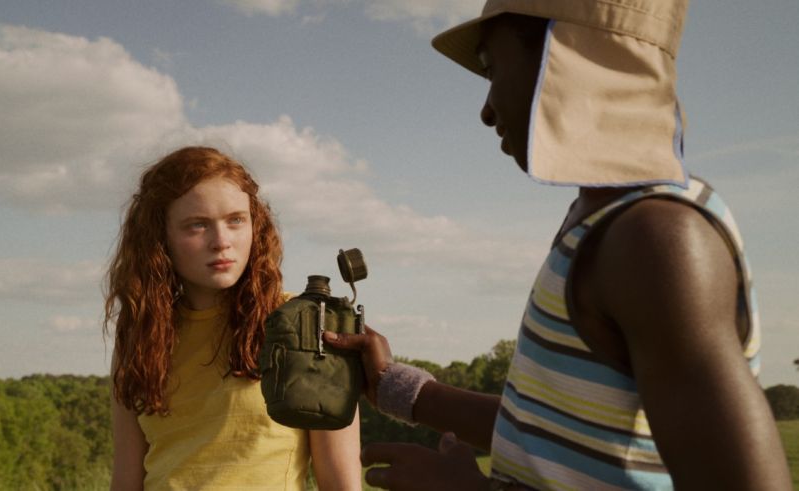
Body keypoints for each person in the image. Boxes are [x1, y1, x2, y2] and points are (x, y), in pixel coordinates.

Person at [325, 1, 792, 490]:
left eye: (491, 68)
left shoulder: (656, 241)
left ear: (567, 59)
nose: (485, 111)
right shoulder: (602, 224)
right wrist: (396, 388)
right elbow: (549, 434)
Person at [105, 146, 362, 490]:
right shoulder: (139, 338)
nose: (221, 241)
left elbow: (341, 483)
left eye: (236, 220)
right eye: (197, 225)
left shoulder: (305, 324)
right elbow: (125, 482)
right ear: (160, 238)